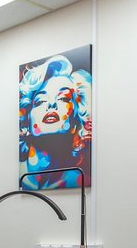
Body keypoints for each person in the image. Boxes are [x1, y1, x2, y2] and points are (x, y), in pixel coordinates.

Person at [19, 54, 92, 188]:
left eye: (63, 98)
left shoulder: (82, 180)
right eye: (41, 101)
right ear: (27, 120)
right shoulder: (14, 178)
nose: (51, 105)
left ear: (77, 118)